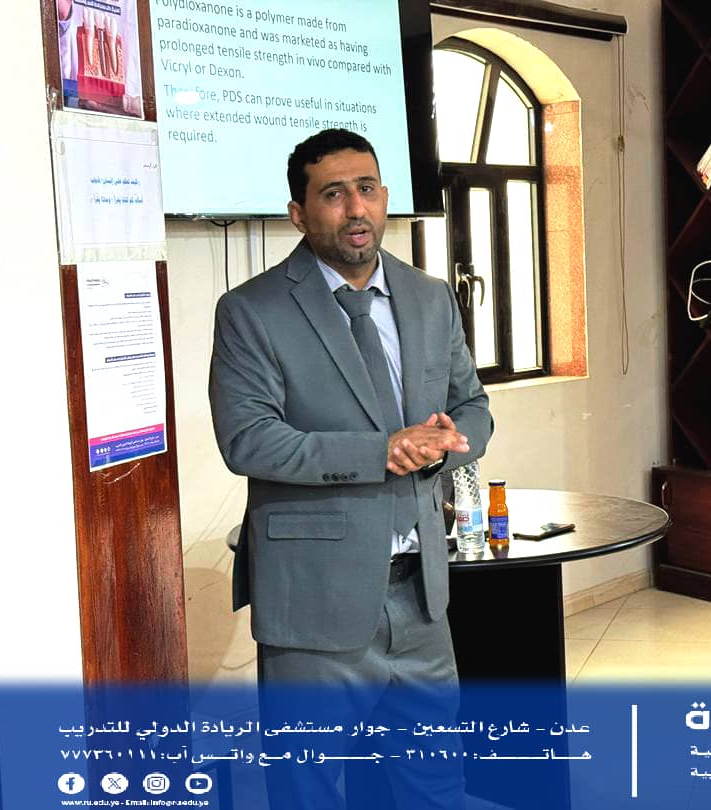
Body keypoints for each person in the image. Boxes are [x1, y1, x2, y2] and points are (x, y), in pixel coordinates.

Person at [209, 128, 493, 809]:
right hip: (314, 602)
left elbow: (472, 405)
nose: (356, 208)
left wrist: (455, 439)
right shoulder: (252, 311)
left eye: (366, 189)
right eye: (333, 194)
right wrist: (381, 451)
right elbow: (249, 441)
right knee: (309, 793)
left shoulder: (429, 297)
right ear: (299, 214)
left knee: (437, 788)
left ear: (385, 196)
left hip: (421, 600)